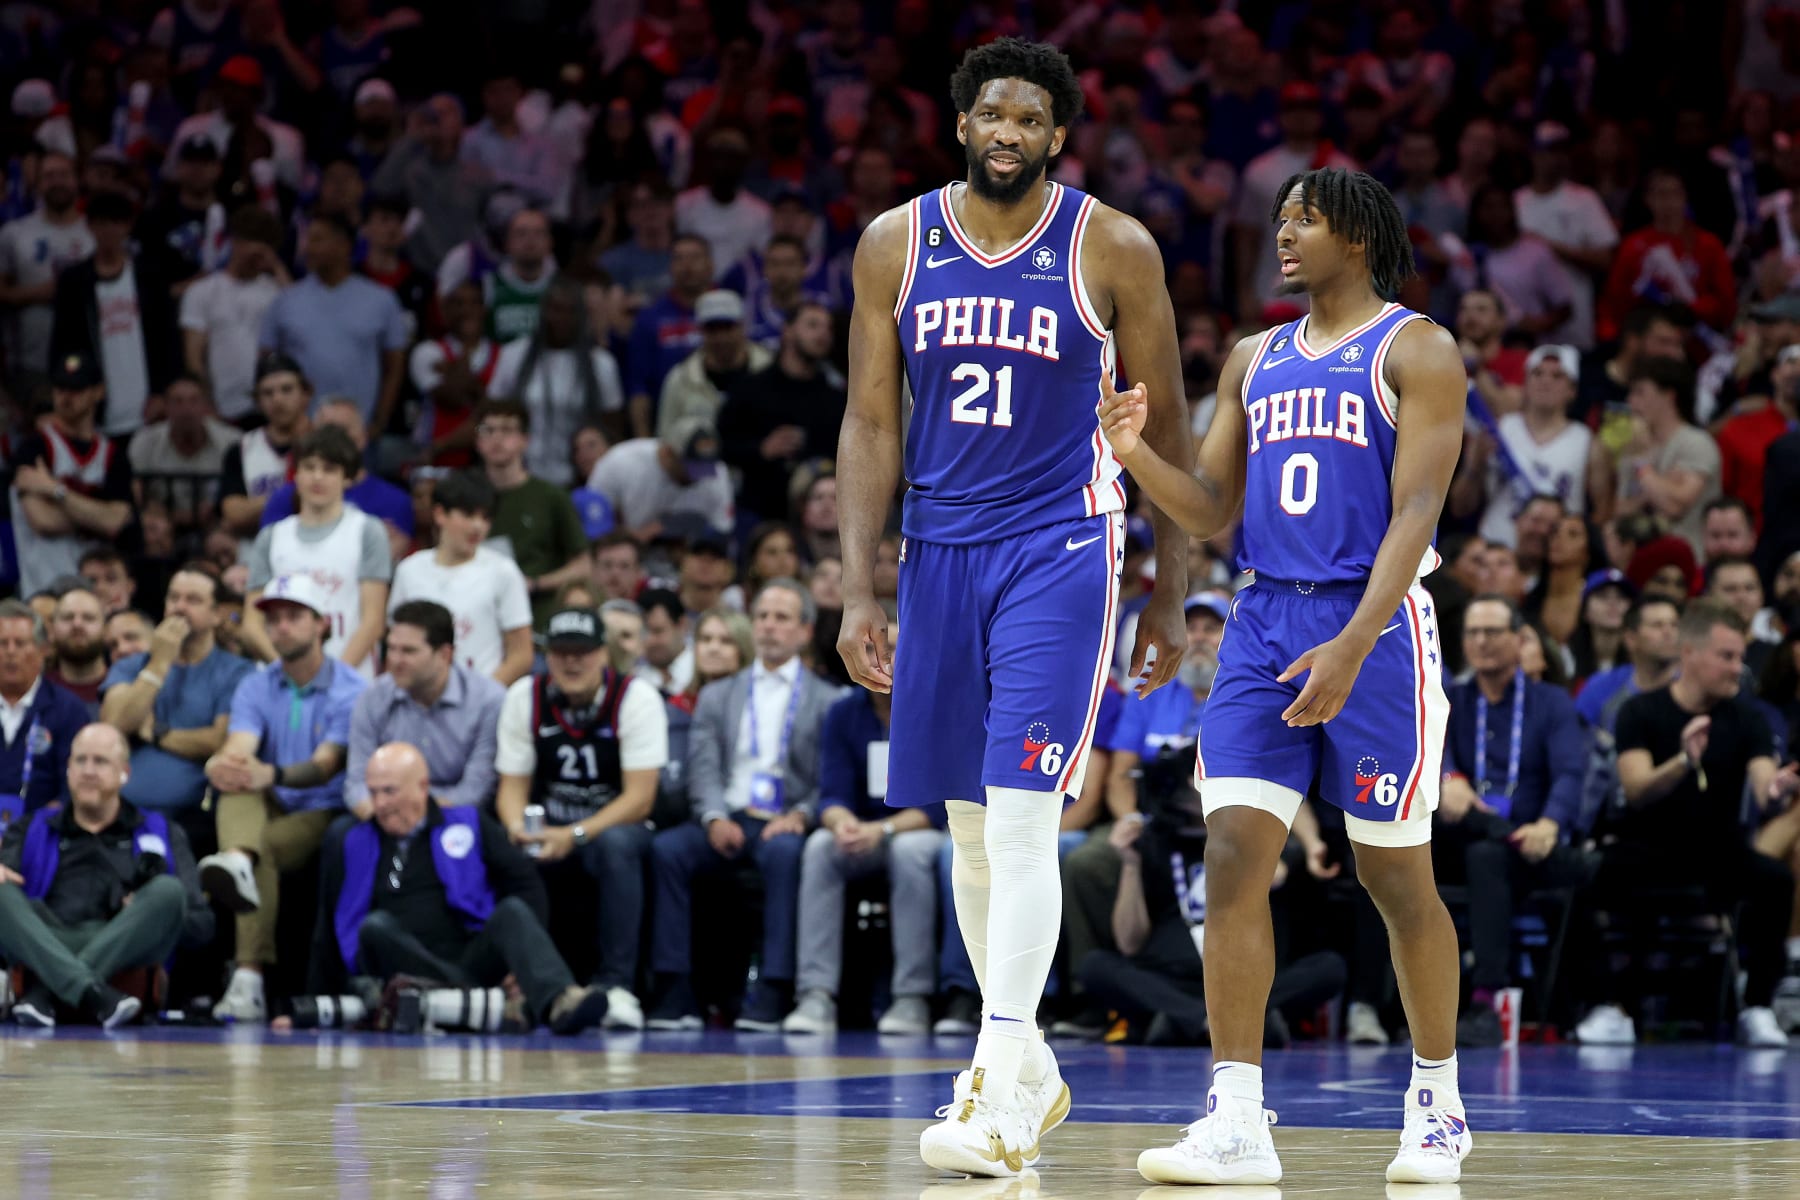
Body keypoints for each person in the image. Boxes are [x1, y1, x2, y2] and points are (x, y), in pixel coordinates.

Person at [835, 38, 1190, 1179]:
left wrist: (1171, 594)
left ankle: (992, 1079)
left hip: (1063, 548)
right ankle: (1026, 1061)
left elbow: (1168, 427)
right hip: (938, 553)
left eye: (1030, 119)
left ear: (1056, 139)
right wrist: (856, 586)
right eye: (991, 113)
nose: (1007, 132)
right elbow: (870, 425)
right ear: (961, 125)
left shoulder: (1113, 246)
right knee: (971, 828)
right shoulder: (895, 241)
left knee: (1026, 812)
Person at [1102, 166, 1473, 1185]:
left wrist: (1354, 643)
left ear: (1357, 236)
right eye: (1280, 219)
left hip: (1376, 622)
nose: (1284, 235)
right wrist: (1135, 454)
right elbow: (1213, 507)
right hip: (1265, 619)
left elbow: (1416, 514)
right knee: (1229, 855)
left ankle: (1437, 1100)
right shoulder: (1251, 358)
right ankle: (1236, 1114)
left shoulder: (1419, 348)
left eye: (1304, 219)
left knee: (1394, 877)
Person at [1577, 601, 1798, 1048]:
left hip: (1718, 850)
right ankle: (1613, 1007)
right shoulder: (1640, 712)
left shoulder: (1747, 716)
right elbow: (1637, 787)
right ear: (1691, 654)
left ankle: (1756, 1006)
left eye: (1739, 657)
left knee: (1773, 879)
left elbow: (1761, 784)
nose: (1738, 668)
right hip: (1648, 845)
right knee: (1588, 877)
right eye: (1727, 656)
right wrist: (1683, 761)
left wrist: (1778, 788)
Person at [307, 742, 609, 1035]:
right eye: (373, 792)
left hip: (470, 955)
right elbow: (329, 924)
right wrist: (313, 1004)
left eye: (389, 791)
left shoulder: (468, 822)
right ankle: (485, 1004)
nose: (380, 804)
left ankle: (561, 1001)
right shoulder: (352, 841)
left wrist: (520, 964)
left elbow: (525, 882)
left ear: (422, 788)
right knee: (374, 928)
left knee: (512, 911)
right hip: (406, 967)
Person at [649, 580, 840, 1031]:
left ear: (805, 631)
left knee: (785, 854)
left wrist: (800, 815)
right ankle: (673, 988)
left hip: (785, 819)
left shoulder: (827, 700)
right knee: (668, 851)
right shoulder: (719, 694)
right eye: (762, 617)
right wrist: (713, 816)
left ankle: (773, 990)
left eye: (782, 618)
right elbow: (703, 766)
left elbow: (827, 779)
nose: (770, 627)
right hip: (728, 814)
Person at [199, 573, 368, 1023]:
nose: (282, 628)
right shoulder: (257, 683)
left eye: (294, 617)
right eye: (273, 620)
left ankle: (249, 975)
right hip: (270, 797)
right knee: (235, 789)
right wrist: (223, 763)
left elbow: (325, 766)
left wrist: (264, 772)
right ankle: (236, 857)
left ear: (321, 624)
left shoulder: (351, 689)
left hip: (324, 806)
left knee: (265, 848)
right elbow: (240, 745)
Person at [494, 606, 667, 1030]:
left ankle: (616, 987)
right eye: (561, 651)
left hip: (613, 829)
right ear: (546, 655)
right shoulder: (524, 696)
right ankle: (519, 985)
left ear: (604, 654)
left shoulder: (636, 696)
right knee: (502, 845)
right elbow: (511, 788)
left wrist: (574, 833)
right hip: (549, 828)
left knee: (616, 846)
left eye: (583, 652)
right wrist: (520, 828)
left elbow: (641, 799)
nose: (571, 662)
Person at [1437, 596, 1592, 1047]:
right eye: (1473, 633)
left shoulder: (1551, 703)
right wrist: (1449, 776)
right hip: (1463, 833)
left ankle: (1487, 999)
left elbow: (1569, 772)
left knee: (1492, 853)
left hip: (1530, 843)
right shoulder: (1452, 701)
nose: (1481, 642)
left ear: (1518, 639)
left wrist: (1550, 824)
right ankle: (1383, 1002)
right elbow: (1433, 753)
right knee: (1452, 847)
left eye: (1493, 632)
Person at [783, 618, 946, 1036]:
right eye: (873, 649)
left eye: (891, 647)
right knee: (821, 846)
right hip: (863, 831)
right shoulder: (843, 712)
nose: (883, 658)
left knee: (912, 854)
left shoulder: (935, 707)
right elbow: (832, 792)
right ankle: (815, 995)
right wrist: (843, 823)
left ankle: (912, 998)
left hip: (916, 830)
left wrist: (884, 830)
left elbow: (941, 804)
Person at [0, 723, 206, 1029]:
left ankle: (47, 994)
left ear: (125, 773)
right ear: (67, 769)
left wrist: (139, 911)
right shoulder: (32, 827)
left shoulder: (163, 832)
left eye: (101, 761)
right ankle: (95, 995)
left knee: (167, 891)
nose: (88, 771)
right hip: (49, 936)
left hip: (123, 941)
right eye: (80, 760)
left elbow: (201, 925)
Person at [99, 565, 253, 855]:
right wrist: (159, 663)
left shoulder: (236, 671)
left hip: (192, 817)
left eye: (193, 600)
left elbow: (220, 741)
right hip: (118, 813)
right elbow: (115, 725)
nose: (179, 607)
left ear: (217, 614)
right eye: (173, 598)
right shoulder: (133, 665)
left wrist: (155, 733)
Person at [241, 426, 390, 676]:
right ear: (295, 474)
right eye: (309, 467)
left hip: (349, 681)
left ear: (348, 477)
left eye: (329, 469)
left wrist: (333, 679)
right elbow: (252, 623)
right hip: (281, 683)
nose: (317, 477)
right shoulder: (272, 537)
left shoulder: (367, 531)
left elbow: (373, 622)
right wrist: (289, 672)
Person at [345, 601, 504, 813]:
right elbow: (356, 783)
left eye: (408, 651)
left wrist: (413, 815)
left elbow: (475, 792)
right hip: (384, 815)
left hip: (456, 815)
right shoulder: (372, 698)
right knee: (339, 834)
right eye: (391, 648)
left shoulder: (488, 701)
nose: (395, 660)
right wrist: (383, 816)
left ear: (445, 655)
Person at [258, 212, 408, 433]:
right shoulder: (285, 301)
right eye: (308, 240)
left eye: (318, 240)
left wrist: (380, 420)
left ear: (344, 246)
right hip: (299, 431)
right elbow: (266, 364)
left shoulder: (381, 300)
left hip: (359, 430)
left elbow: (394, 367)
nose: (308, 248)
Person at [50, 190, 181, 438]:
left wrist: (163, 392)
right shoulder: (74, 282)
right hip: (97, 411)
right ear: (89, 226)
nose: (108, 231)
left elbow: (168, 340)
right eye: (101, 223)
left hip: (149, 409)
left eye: (115, 223)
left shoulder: (150, 276)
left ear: (128, 226)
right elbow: (63, 343)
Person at [7, 351, 135, 600]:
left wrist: (55, 490)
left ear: (98, 392)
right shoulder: (33, 448)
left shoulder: (113, 456)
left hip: (97, 597)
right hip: (43, 589)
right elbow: (43, 520)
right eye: (60, 388)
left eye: (77, 389)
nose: (66, 397)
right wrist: (96, 514)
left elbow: (115, 522)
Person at [387, 472, 532, 684]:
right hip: (417, 700)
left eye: (485, 518)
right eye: (468, 515)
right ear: (440, 514)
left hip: (481, 702)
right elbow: (395, 644)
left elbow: (521, 654)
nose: (478, 526)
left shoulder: (503, 571)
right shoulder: (409, 570)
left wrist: (480, 700)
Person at [489, 273, 625, 486]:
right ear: (543, 311)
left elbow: (613, 431)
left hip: (579, 479)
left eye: (570, 311)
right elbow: (488, 418)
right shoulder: (513, 355)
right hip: (521, 474)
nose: (561, 319)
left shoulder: (602, 364)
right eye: (555, 309)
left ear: (581, 315)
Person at [718, 302, 846, 524]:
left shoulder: (836, 397)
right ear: (787, 331)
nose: (823, 334)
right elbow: (722, 446)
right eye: (813, 325)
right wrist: (761, 450)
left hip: (818, 518)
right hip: (759, 514)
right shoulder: (750, 390)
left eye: (828, 328)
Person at [474, 400, 593, 631]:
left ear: (525, 440)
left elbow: (583, 566)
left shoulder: (551, 496)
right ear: (477, 441)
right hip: (478, 616)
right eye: (488, 430)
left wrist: (535, 584)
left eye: (507, 430)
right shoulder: (464, 494)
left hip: (536, 619)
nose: (497, 439)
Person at [0, 150, 92, 390]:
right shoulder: (14, 233)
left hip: (88, 358)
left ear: (77, 180)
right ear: (37, 183)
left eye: (64, 174)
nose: (58, 181)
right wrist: (43, 292)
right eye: (49, 176)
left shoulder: (94, 233)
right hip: (30, 360)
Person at [1613, 356, 1721, 556]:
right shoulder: (1633, 449)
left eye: (1640, 392)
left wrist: (1644, 469)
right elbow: (1620, 513)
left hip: (1687, 560)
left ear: (1669, 396)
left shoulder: (1695, 442)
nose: (1630, 401)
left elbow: (1674, 507)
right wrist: (1653, 490)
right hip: (1639, 560)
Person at [0, 599, 91, 824]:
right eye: (2, 643)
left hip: (44, 836)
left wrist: (34, 830)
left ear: (43, 651)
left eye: (20, 643)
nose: (10, 652)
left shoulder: (68, 709)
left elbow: (75, 788)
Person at [586, 414, 735, 541]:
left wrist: (674, 526)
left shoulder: (717, 473)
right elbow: (593, 523)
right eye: (691, 466)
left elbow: (722, 529)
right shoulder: (620, 463)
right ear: (667, 453)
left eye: (705, 467)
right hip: (629, 555)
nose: (698, 476)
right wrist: (631, 537)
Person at [218, 352, 313, 542]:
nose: (277, 399)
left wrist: (256, 505)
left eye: (287, 389)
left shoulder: (325, 442)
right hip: (256, 549)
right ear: (257, 401)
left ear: (306, 394)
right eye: (268, 393)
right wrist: (291, 496)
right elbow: (234, 514)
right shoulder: (241, 449)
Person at [45, 586, 108, 714]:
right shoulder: (38, 692)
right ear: (51, 630)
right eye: (68, 617)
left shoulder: (122, 686)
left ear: (105, 630)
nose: (77, 624)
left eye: (88, 618)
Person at [638, 588, 693, 696]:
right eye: (643, 633)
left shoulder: (702, 671)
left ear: (682, 625)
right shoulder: (634, 677)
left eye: (657, 631)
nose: (649, 640)